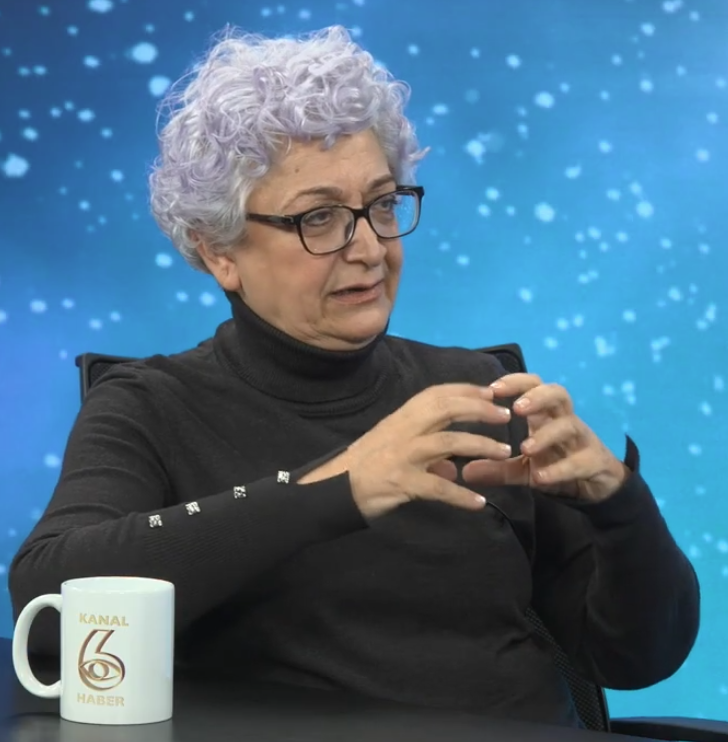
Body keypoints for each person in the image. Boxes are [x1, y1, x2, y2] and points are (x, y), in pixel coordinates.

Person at [9, 25, 699, 728]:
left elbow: (639, 657)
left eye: (383, 205)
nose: (369, 246)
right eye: (320, 217)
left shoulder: (481, 392)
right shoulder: (150, 409)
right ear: (219, 252)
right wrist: (340, 488)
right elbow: (46, 608)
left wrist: (620, 506)